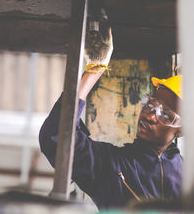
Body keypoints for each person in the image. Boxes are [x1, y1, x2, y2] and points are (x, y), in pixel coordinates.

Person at [38, 24, 183, 210]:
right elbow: (56, 139)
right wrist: (94, 70)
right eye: (150, 104)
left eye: (165, 115)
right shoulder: (110, 166)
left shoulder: (189, 178)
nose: (150, 116)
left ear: (181, 131)